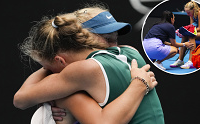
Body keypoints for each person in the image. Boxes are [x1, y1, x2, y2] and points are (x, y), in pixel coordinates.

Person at [13, 6, 164, 124]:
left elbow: (20, 99)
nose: (51, 75)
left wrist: (139, 84)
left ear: (60, 61)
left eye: (49, 70)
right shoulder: (131, 51)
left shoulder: (82, 70)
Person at [170, 1, 200, 69]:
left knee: (191, 35)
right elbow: (191, 27)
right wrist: (182, 31)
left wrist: (186, 30)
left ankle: (191, 61)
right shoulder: (192, 14)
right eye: (186, 12)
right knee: (185, 35)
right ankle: (180, 60)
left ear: (193, 10)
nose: (187, 14)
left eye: (188, 12)